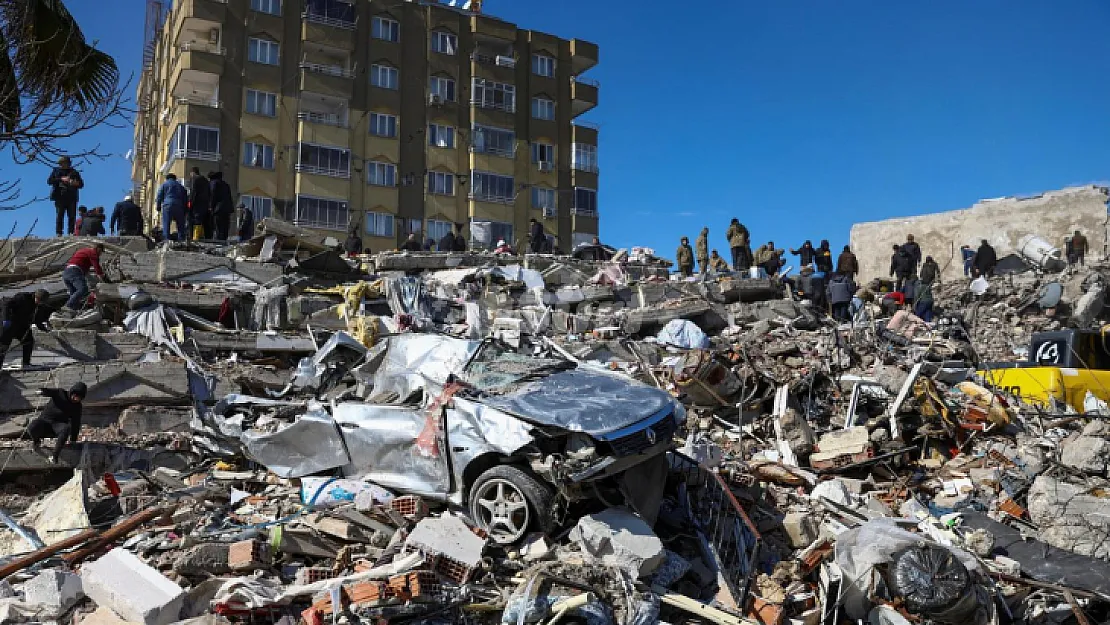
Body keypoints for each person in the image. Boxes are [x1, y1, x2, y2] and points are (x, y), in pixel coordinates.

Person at [28, 382, 86, 464]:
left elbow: (76, 423)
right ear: (72, 392)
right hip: (44, 422)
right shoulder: (60, 393)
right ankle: (36, 442)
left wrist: (73, 440)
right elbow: (50, 392)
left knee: (66, 428)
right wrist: (42, 391)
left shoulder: (77, 407)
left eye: (79, 398)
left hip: (57, 426)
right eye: (75, 396)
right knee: (32, 426)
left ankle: (55, 456)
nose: (76, 399)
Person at [0, 289, 51, 369]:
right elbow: (5, 303)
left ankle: (26, 363)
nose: (39, 302)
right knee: (3, 346)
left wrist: (42, 328)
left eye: (41, 301)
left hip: (22, 325)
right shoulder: (23, 297)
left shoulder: (39, 305)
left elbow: (37, 318)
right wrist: (5, 318)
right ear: (35, 296)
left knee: (28, 341)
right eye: (38, 300)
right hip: (10, 323)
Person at [61, 243, 110, 316]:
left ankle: (70, 314)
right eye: (101, 252)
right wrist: (104, 279)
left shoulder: (84, 252)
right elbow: (97, 268)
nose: (100, 254)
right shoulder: (93, 253)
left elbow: (86, 274)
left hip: (67, 272)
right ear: (98, 249)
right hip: (74, 271)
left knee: (74, 294)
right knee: (83, 289)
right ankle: (68, 306)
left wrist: (94, 282)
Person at [48, 156, 83, 237]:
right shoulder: (56, 171)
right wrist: (61, 179)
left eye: (63, 163)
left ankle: (71, 232)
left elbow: (81, 184)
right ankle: (59, 232)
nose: (62, 165)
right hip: (59, 196)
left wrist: (75, 183)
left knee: (72, 216)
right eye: (61, 163)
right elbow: (49, 181)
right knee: (60, 215)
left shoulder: (74, 172)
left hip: (72, 197)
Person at [155, 173, 187, 242]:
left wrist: (158, 206)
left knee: (166, 222)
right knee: (180, 224)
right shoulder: (180, 186)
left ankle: (166, 239)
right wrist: (185, 209)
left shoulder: (164, 184)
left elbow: (159, 195)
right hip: (179, 206)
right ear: (175, 178)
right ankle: (181, 240)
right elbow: (185, 198)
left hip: (167, 205)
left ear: (167, 178)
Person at [187, 167, 211, 240]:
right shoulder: (206, 181)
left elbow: (193, 192)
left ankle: (195, 238)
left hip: (196, 204)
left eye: (190, 174)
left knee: (195, 220)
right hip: (205, 204)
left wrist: (189, 204)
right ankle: (200, 237)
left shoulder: (194, 179)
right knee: (201, 221)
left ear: (193, 173)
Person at [209, 172, 234, 240]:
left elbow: (213, 195)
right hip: (227, 209)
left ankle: (219, 242)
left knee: (218, 227)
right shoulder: (226, 185)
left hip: (218, 209)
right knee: (225, 227)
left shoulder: (214, 183)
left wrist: (211, 206)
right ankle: (224, 241)